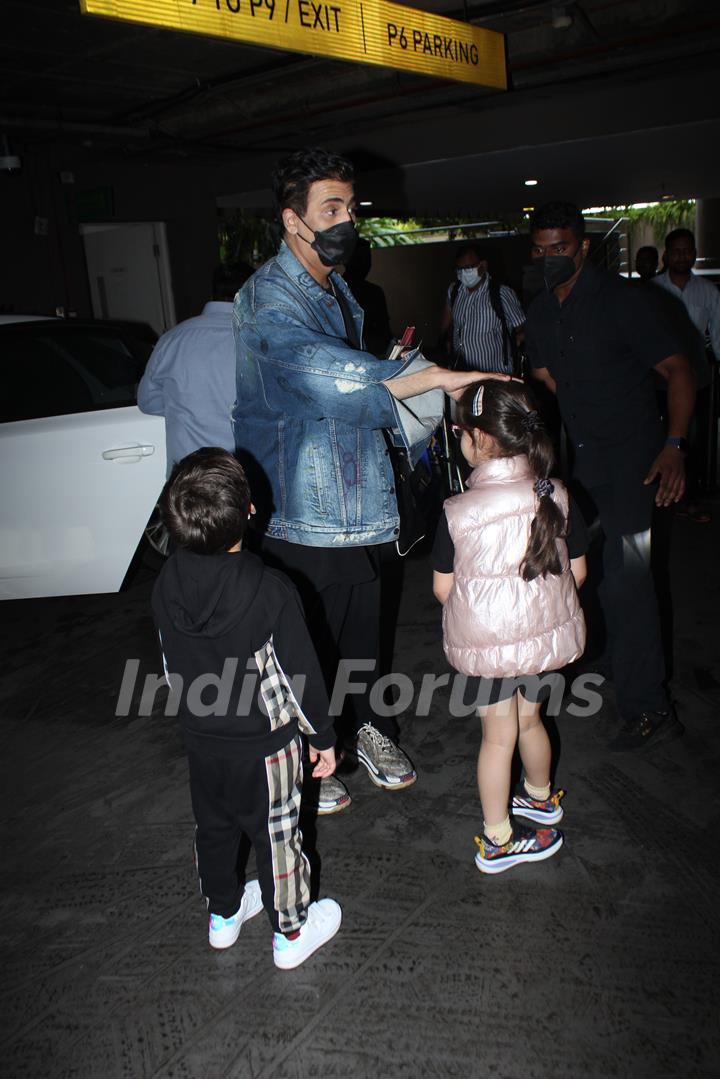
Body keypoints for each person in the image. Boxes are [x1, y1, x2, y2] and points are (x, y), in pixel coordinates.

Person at [233, 146, 501, 812]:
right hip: (301, 506)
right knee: (304, 642)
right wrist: (426, 376)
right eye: (331, 208)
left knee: (363, 635)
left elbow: (357, 369)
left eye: (351, 207)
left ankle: (371, 730)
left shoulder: (338, 286)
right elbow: (323, 374)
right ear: (290, 219)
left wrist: (399, 364)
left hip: (360, 498)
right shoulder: (267, 298)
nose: (346, 220)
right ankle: (307, 756)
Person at [151, 448, 342, 969]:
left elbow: (170, 661)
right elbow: (300, 673)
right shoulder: (269, 590)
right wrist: (322, 736)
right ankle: (291, 933)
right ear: (251, 512)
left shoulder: (166, 583)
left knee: (213, 829)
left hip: (202, 741)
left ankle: (224, 915)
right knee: (277, 833)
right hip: (267, 746)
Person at [525, 201, 695, 751]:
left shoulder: (626, 302)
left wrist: (672, 445)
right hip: (579, 465)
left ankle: (650, 706)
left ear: (582, 247)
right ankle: (604, 661)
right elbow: (547, 375)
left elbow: (678, 370)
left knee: (630, 579)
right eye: (540, 249)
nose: (550, 258)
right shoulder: (543, 310)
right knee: (582, 572)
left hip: (633, 466)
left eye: (559, 249)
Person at [432, 380, 587, 874]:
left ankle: (497, 840)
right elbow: (578, 573)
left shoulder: (458, 511)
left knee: (497, 740)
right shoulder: (556, 492)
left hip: (488, 651)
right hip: (542, 645)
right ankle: (541, 800)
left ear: (476, 437)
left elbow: (442, 588)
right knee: (532, 722)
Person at [138, 264, 253, 476]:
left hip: (186, 480)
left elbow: (147, 402)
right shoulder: (257, 343)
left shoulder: (172, 339)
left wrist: (187, 407)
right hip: (239, 481)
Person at [652, 228, 720, 520]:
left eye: (687, 250)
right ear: (667, 254)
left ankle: (689, 498)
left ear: (693, 253)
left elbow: (717, 334)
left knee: (692, 439)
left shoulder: (708, 290)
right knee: (659, 438)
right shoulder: (652, 289)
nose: (682, 255)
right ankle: (659, 497)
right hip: (659, 378)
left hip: (697, 376)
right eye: (676, 250)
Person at [439, 243, 525, 373]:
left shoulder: (501, 293)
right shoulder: (454, 291)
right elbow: (446, 326)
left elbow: (523, 328)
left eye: (468, 268)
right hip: (462, 375)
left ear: (483, 266)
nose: (463, 273)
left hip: (495, 376)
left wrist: (513, 344)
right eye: (459, 269)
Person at [343, 236, 393, 358]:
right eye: (361, 258)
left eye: (368, 258)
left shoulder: (374, 292)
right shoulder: (337, 290)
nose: (366, 263)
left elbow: (385, 333)